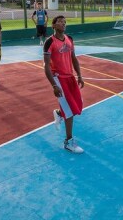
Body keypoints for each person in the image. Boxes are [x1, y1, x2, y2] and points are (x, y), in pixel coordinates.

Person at [43, 15, 85, 154]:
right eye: (60, 22)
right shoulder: (50, 42)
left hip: (70, 77)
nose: (63, 24)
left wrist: (79, 75)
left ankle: (59, 113)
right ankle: (68, 142)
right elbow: (46, 65)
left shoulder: (69, 39)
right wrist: (54, 85)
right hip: (58, 78)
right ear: (53, 26)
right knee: (70, 111)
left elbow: (74, 59)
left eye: (64, 22)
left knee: (77, 104)